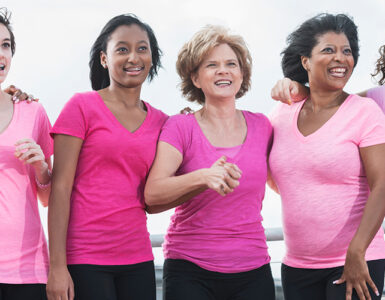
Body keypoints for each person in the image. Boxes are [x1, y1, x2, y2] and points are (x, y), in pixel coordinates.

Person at [144, 25, 275, 300]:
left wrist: (296, 86)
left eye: (231, 64)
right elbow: (152, 194)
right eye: (211, 65)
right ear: (195, 77)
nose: (223, 71)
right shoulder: (180, 127)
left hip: (253, 268)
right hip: (190, 269)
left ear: (242, 74)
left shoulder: (264, 126)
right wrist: (203, 177)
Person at [46, 14, 167, 300]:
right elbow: (60, 188)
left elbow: (154, 197)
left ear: (152, 57)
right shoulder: (81, 107)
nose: (133, 57)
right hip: (85, 258)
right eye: (122, 49)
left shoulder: (163, 122)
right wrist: (57, 267)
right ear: (104, 59)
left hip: (138, 258)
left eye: (142, 48)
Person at [268, 13, 385, 300]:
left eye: (347, 51)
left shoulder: (365, 111)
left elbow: (383, 183)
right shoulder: (281, 114)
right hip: (296, 265)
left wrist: (357, 251)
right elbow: (273, 175)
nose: (341, 58)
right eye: (328, 50)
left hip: (356, 261)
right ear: (305, 61)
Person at [0, 8, 53, 300]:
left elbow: (47, 197)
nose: (1, 54)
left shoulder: (33, 111)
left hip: (28, 269)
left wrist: (41, 167)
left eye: (5, 45)